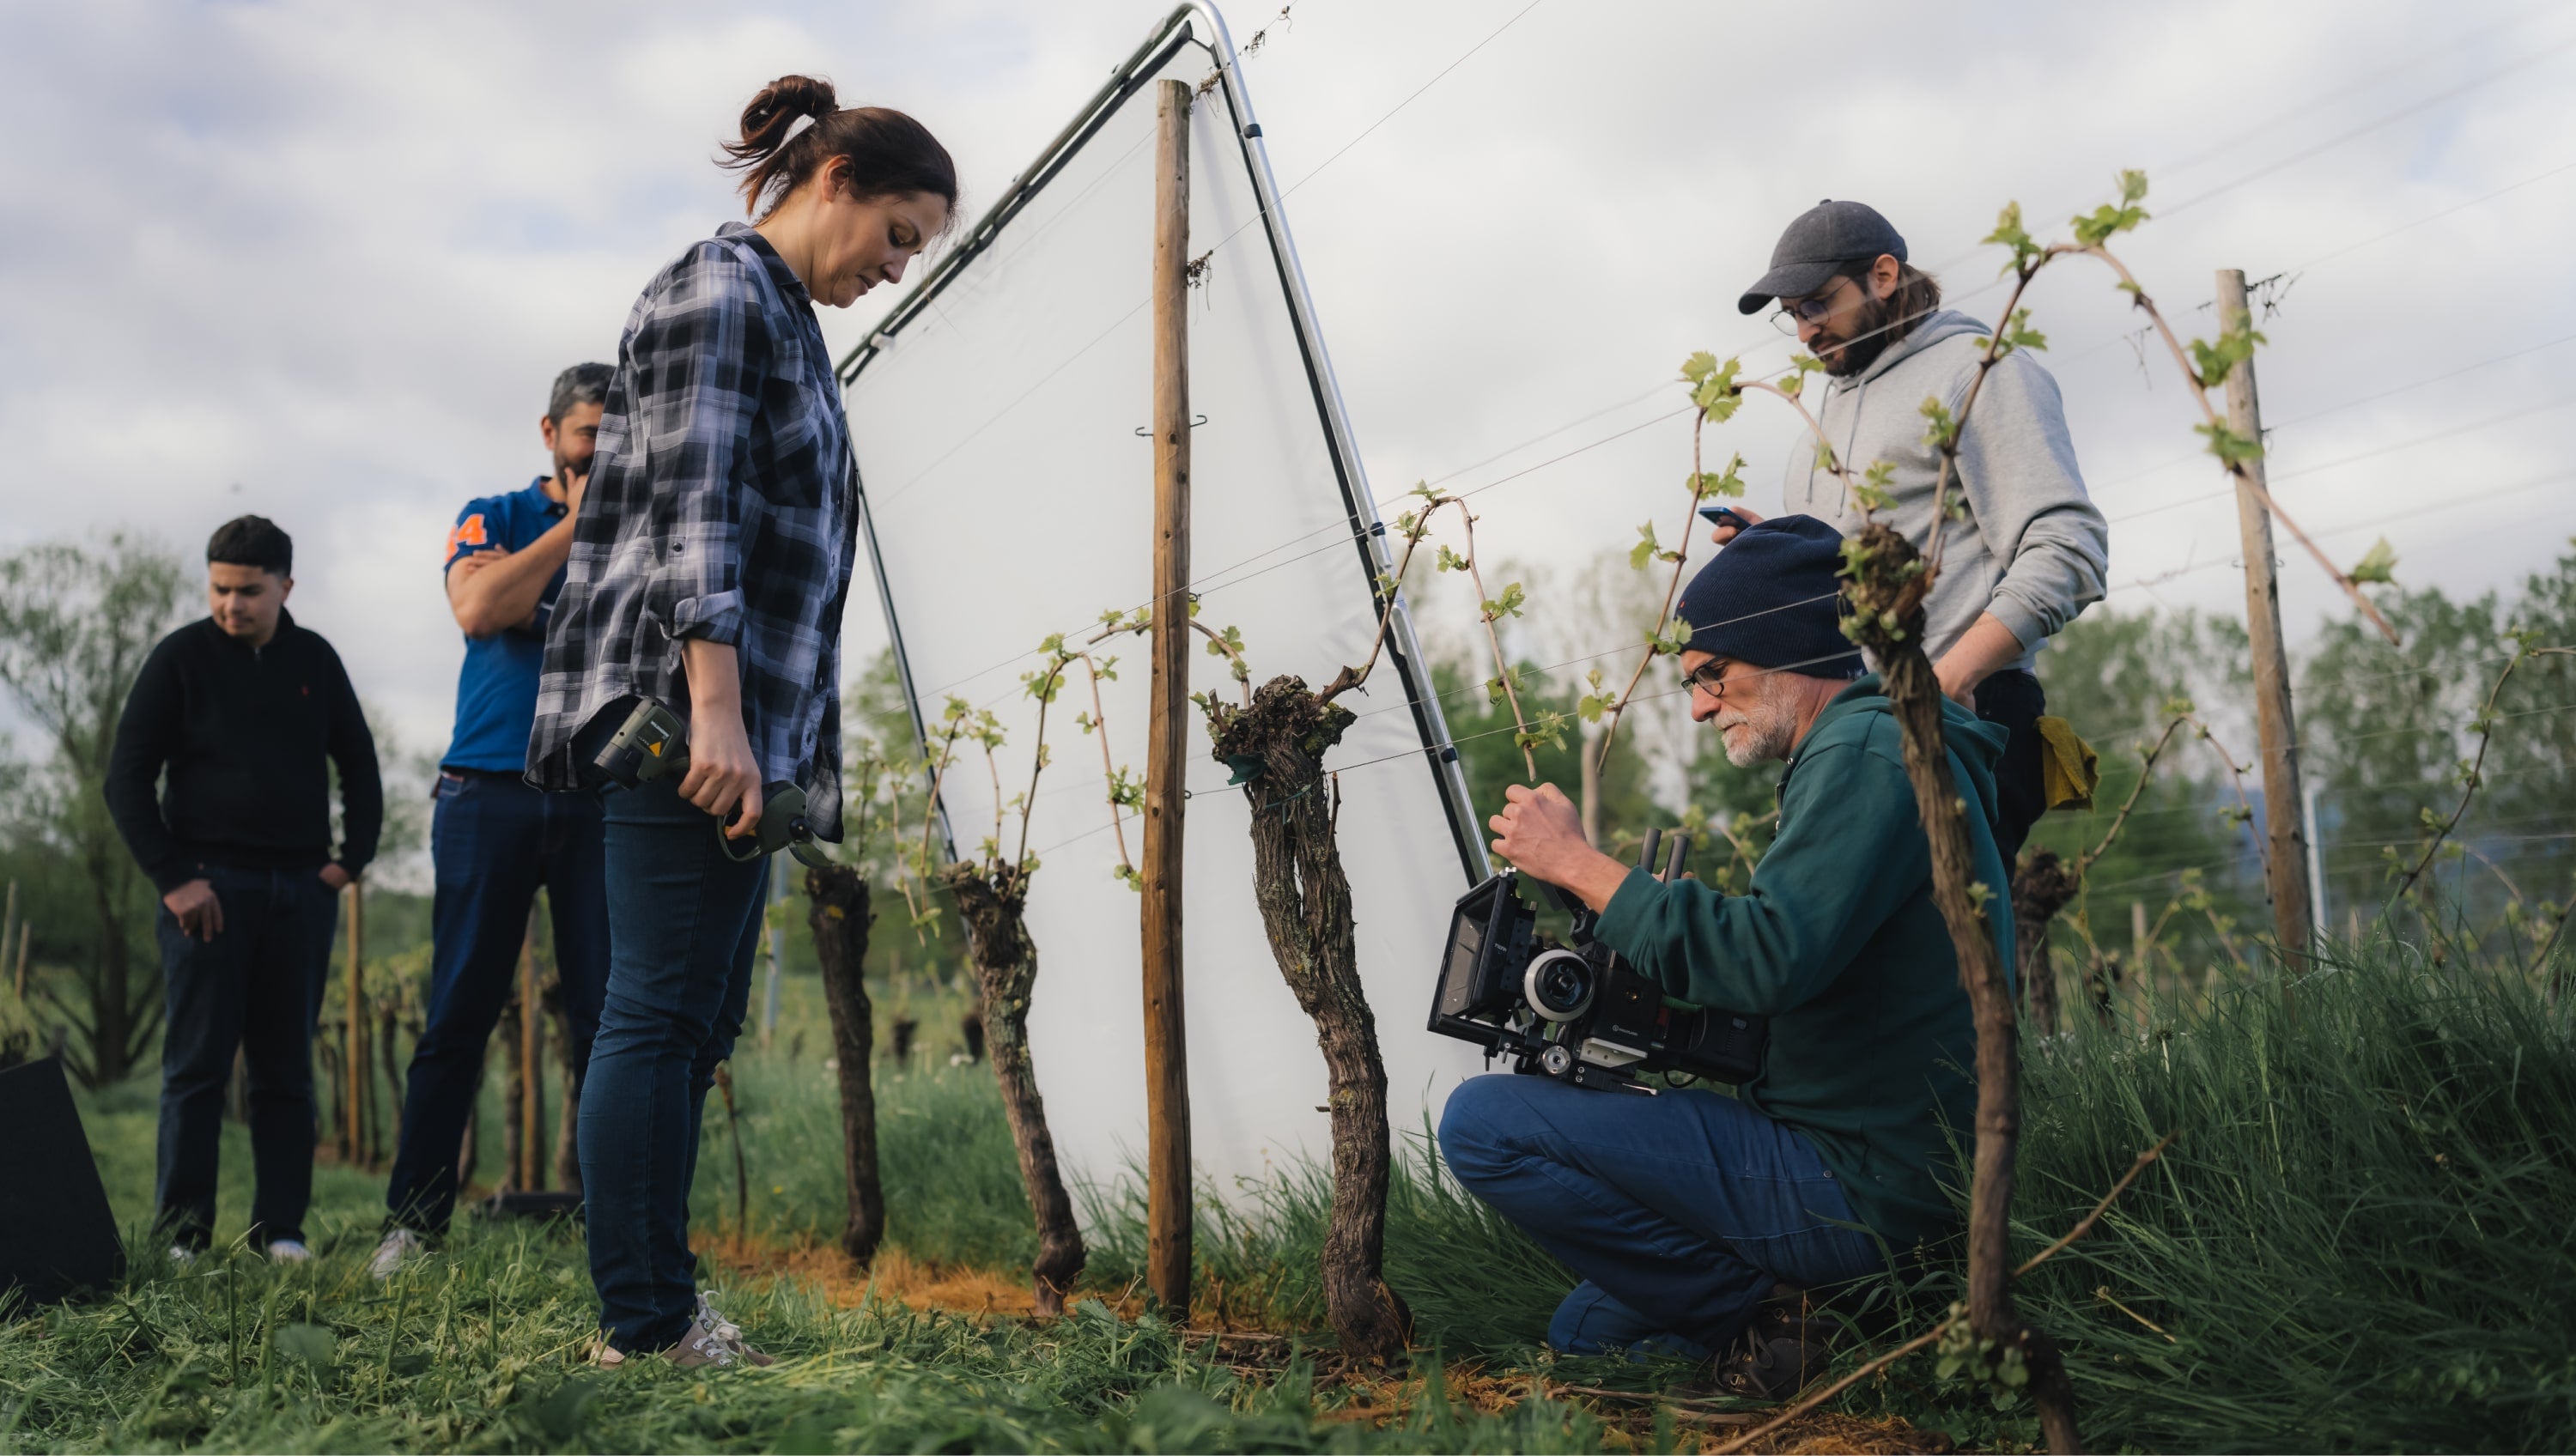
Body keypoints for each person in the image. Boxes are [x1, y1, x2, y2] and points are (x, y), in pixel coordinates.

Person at [524, 75, 957, 1369]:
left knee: (697, 1024)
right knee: (656, 1013)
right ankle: (643, 1325)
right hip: (684, 719)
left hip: (741, 731)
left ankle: (659, 1303)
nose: (896, 268)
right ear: (835, 181)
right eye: (898, 235)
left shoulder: (782, 317)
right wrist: (715, 714)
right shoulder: (720, 291)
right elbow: (696, 511)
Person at [1438, 516, 2013, 1398]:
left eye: (1713, 676)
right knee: (1586, 1329)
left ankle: (1778, 1323)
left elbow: (1769, 958)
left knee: (1483, 1124)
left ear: (1783, 647)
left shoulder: (1866, 755)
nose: (1702, 705)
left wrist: (1580, 867)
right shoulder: (1856, 750)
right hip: (1867, 1158)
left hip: (1867, 1181)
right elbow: (1794, 957)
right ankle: (1846, 1324)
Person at [1716, 199, 2108, 860]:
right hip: (1854, 731)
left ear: (1885, 275)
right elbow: (1878, 564)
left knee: (1945, 953)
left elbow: (2069, 549)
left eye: (1817, 304)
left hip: (1959, 716)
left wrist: (1946, 683)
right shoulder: (1831, 410)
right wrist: (1785, 544)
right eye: (1793, 317)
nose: (1806, 331)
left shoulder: (1978, 372)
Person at [368, 364, 617, 1281]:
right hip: (489, 788)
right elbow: (481, 607)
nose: (604, 446)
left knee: (609, 1021)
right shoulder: (494, 515)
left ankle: (617, 1229)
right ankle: (414, 1225)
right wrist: (577, 528)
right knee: (458, 1015)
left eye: (618, 431)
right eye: (590, 430)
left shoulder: (650, 525)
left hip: (599, 794)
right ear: (549, 431)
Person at [105, 514, 382, 1265]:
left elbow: (359, 764)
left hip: (299, 891)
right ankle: (182, 1238)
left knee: (286, 1071)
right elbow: (126, 778)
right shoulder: (180, 660)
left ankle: (281, 1233)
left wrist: (348, 862)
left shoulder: (316, 661)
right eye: (221, 589)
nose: (232, 605)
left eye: (248, 591)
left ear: (285, 586)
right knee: (195, 1068)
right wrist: (172, 878)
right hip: (206, 892)